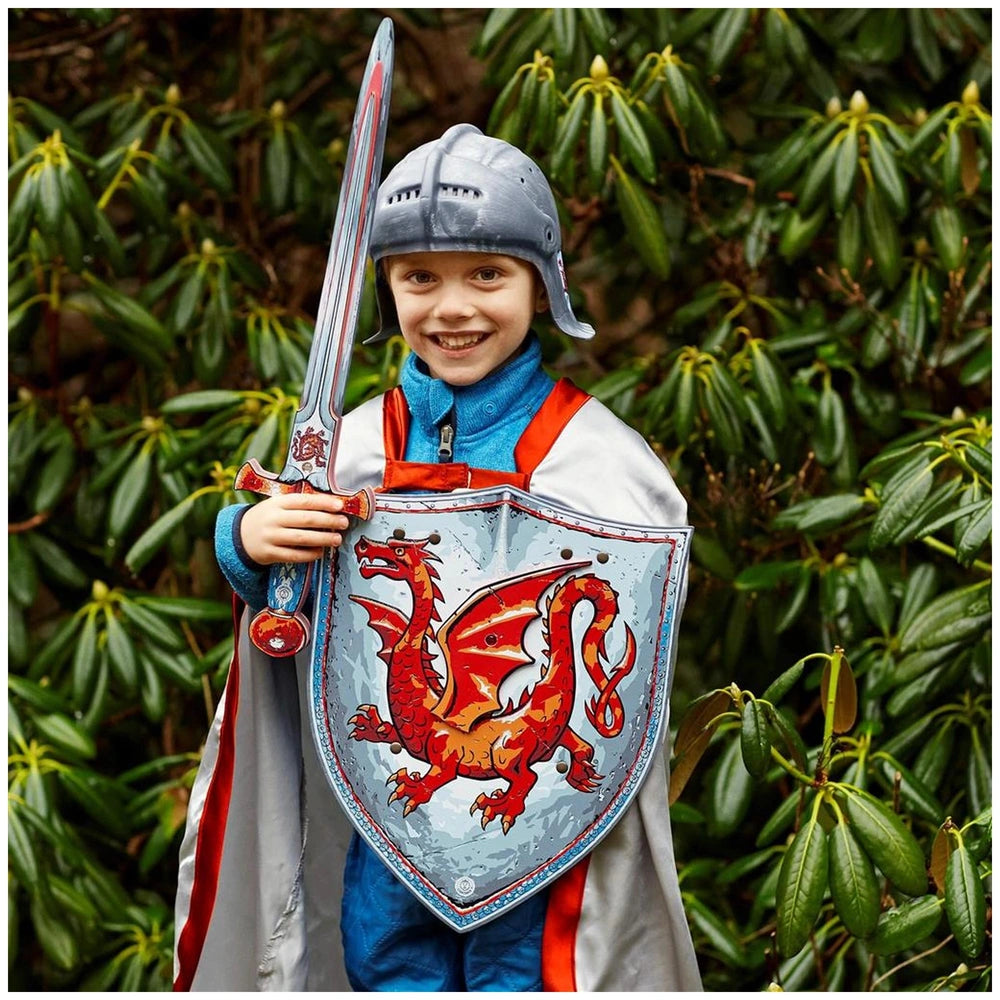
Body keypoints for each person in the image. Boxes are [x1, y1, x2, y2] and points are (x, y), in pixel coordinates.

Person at [174, 124, 702, 992]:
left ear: (542, 285)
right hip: (391, 804)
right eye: (421, 278)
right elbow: (287, 614)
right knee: (381, 959)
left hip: (537, 828)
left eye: (486, 275)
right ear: (386, 289)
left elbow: (633, 628)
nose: (452, 308)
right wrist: (248, 542)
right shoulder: (347, 451)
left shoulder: (600, 462)